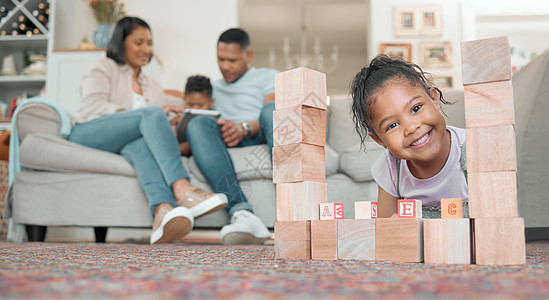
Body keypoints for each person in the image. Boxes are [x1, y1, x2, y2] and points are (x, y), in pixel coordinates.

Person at [69, 16, 227, 244]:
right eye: (139, 42)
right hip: (89, 133)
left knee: (141, 141)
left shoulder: (152, 85)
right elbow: (93, 107)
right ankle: (182, 189)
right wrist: (147, 115)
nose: (146, 49)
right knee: (153, 112)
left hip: (128, 143)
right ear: (121, 42)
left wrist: (169, 122)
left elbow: (150, 126)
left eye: (150, 43)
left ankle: (162, 211)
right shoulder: (103, 67)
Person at [186, 28, 277, 245]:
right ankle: (242, 213)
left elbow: (272, 112)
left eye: (232, 60)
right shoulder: (213, 88)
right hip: (224, 140)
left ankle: (291, 209)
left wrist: (243, 128)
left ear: (249, 56)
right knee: (198, 122)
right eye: (221, 59)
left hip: (259, 133)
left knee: (272, 109)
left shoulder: (268, 76)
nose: (225, 66)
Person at [350, 54, 468, 218]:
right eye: (392, 125)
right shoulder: (391, 169)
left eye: (416, 108)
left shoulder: (470, 147)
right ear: (379, 140)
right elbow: (386, 234)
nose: (411, 128)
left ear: (434, 100)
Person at [178, 75, 215, 156]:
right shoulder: (178, 118)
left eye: (201, 105)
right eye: (190, 104)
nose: (195, 109)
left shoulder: (214, 121)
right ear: (184, 99)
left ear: (211, 102)